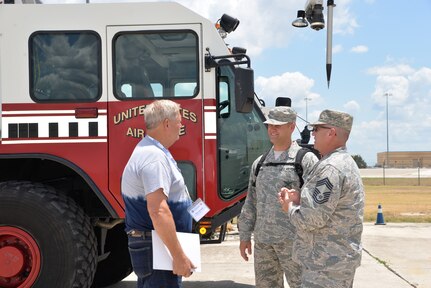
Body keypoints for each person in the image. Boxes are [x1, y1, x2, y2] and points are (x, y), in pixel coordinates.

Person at [278, 109, 364, 288]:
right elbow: (329, 205)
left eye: (316, 129)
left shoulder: (331, 168)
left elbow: (311, 219)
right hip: (332, 261)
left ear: (331, 132)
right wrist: (300, 198)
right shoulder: (341, 162)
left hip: (326, 265)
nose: (312, 134)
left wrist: (290, 206)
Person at [238, 106, 319, 288]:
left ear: (291, 127)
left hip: (295, 243)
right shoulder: (260, 163)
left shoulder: (304, 160)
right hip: (264, 243)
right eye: (269, 125)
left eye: (278, 125)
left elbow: (315, 203)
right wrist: (244, 235)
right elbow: (251, 202)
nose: (272, 129)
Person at [121, 99, 195, 288]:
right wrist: (178, 257)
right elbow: (158, 211)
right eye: (179, 121)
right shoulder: (154, 157)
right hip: (157, 248)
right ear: (167, 123)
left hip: (155, 244)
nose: (181, 125)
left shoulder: (153, 151)